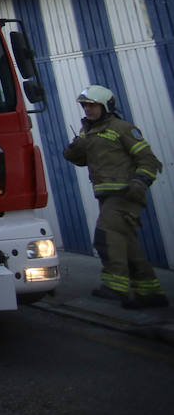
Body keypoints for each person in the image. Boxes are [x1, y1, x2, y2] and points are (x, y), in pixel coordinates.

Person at [63, 84, 167, 308]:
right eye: (85, 106)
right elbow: (81, 160)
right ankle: (149, 293)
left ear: (106, 106)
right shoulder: (87, 132)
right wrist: (74, 148)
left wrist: (140, 181)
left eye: (93, 105)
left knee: (106, 236)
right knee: (127, 244)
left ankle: (115, 286)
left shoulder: (122, 128)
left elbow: (148, 160)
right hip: (106, 196)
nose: (88, 110)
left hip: (126, 194)